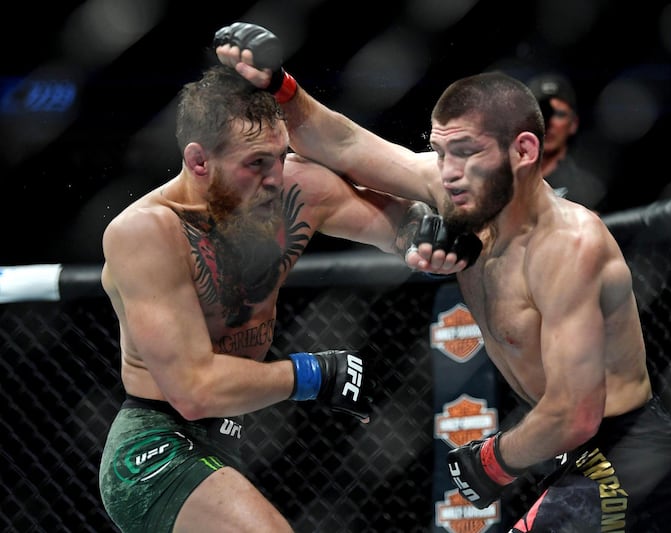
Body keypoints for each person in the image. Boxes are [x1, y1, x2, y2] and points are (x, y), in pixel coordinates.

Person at [216, 23, 671, 532]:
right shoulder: (456, 195)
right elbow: (342, 142)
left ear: (524, 151)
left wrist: (490, 461)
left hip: (629, 457)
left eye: (466, 151)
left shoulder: (569, 246)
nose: (446, 171)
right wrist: (280, 88)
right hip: (572, 460)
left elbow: (575, 413)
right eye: (440, 151)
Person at [97, 61, 477, 533]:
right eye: (255, 163)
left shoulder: (296, 187)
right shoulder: (147, 233)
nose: (274, 177)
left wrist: (432, 237)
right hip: (156, 447)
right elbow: (195, 391)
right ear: (199, 162)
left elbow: (403, 224)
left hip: (229, 440)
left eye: (278, 156)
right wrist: (316, 372)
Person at [527, 71, 607, 211]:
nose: (550, 122)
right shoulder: (505, 182)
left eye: (559, 114)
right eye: (542, 113)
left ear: (573, 124)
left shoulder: (588, 190)